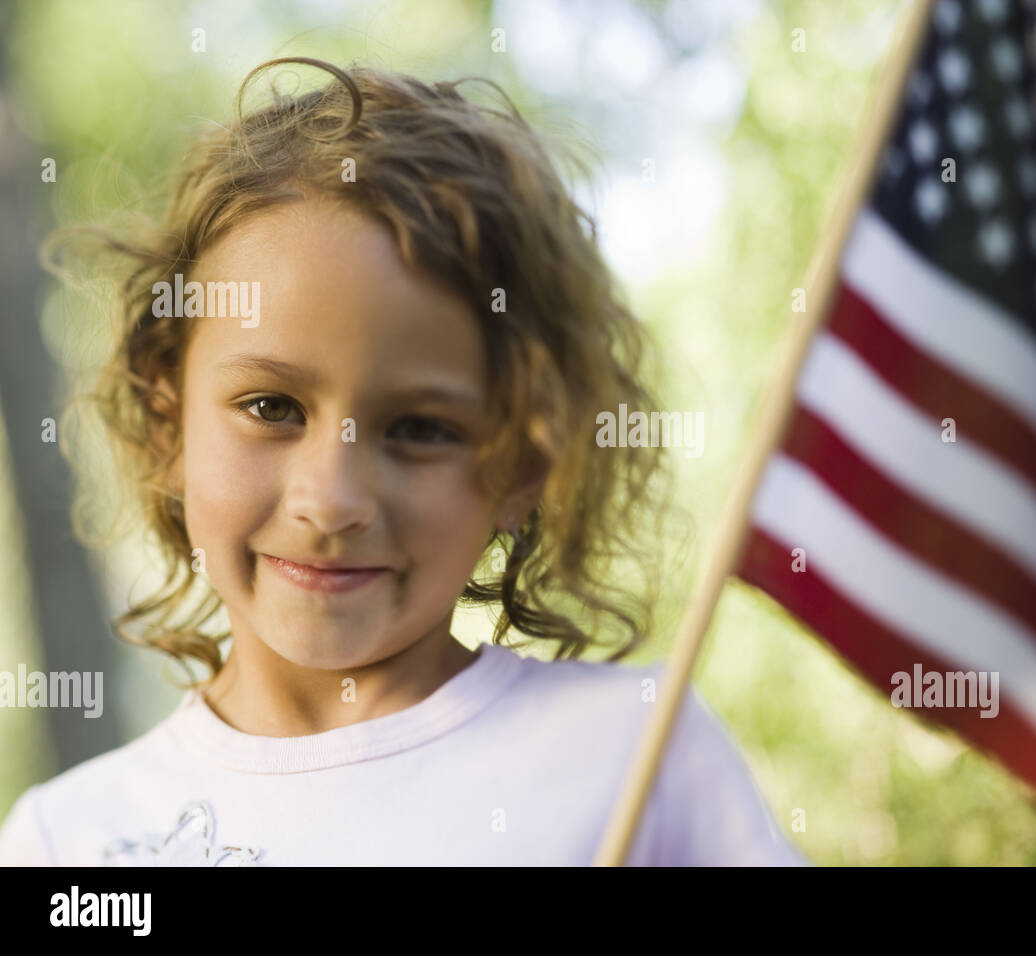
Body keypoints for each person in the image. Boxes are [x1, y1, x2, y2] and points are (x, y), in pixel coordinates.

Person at [0, 58, 805, 867]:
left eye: (419, 429)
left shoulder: (638, 756)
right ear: (168, 424)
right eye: (272, 409)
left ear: (525, 467)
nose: (332, 499)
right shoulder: (67, 840)